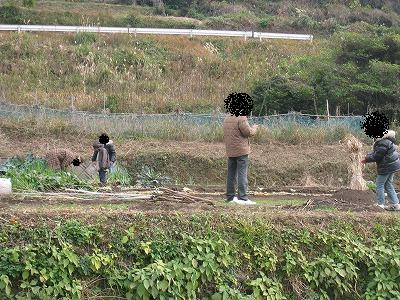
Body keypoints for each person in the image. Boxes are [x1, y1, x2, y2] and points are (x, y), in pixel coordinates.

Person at [223, 92, 258, 205]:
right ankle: (243, 198)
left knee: (231, 174)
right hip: (241, 151)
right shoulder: (241, 116)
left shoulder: (227, 117)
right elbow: (248, 132)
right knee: (242, 173)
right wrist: (255, 128)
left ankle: (230, 197)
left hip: (230, 150)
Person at [361, 112, 400, 211]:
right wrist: (367, 156)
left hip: (387, 166)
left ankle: (380, 205)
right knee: (388, 184)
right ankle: (396, 204)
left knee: (379, 184)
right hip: (393, 166)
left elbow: (377, 156)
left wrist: (366, 159)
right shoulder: (387, 141)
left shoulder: (382, 142)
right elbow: (376, 153)